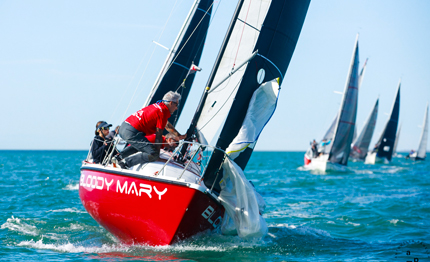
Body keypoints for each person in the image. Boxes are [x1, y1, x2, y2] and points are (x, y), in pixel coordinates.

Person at [113, 91, 186, 169]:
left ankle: (117, 158)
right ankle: (124, 164)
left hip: (124, 127)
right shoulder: (163, 112)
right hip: (132, 131)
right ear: (171, 103)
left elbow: (166, 125)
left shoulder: (157, 106)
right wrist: (156, 156)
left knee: (142, 145)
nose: (177, 108)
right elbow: (158, 136)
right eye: (176, 105)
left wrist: (179, 136)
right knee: (153, 153)